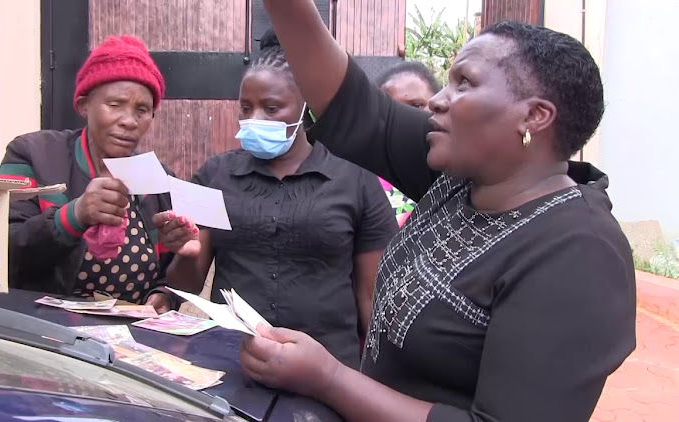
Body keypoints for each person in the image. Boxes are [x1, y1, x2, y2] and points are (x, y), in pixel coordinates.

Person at [237, 3, 637, 422]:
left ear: (534, 116)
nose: (438, 100)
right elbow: (352, 107)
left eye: (464, 82)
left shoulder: (580, 252)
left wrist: (329, 379)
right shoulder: (461, 178)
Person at [153, 29, 398, 368]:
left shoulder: (354, 178)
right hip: (231, 366)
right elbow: (186, 284)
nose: (255, 119)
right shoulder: (215, 176)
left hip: (327, 377)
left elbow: (372, 298)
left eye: (271, 108)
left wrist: (374, 381)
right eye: (245, 107)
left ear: (305, 106)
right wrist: (185, 252)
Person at [0, 35, 180, 312]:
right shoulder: (31, 154)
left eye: (142, 110)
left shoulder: (155, 180)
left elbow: (168, 274)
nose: (129, 121)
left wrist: (163, 295)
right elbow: (0, 250)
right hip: (45, 333)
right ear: (84, 105)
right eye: (115, 104)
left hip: (128, 339)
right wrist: (74, 216)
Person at [374, 61, 441, 227]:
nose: (400, 117)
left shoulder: (455, 177)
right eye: (390, 109)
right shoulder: (357, 176)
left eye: (416, 106)